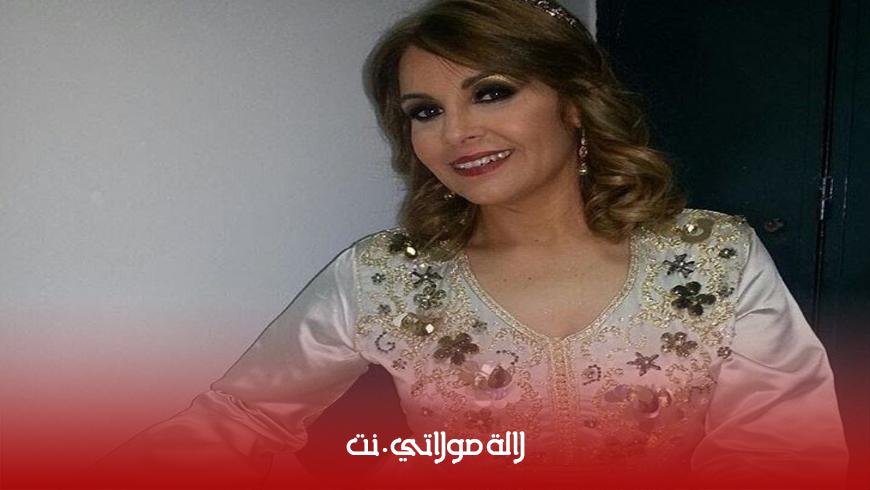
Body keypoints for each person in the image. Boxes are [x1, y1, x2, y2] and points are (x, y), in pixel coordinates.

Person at [92, 1, 849, 488]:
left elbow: (784, 450)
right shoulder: (385, 276)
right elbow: (242, 420)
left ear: (574, 105)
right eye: (425, 111)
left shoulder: (711, 257)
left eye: (491, 92)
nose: (456, 133)